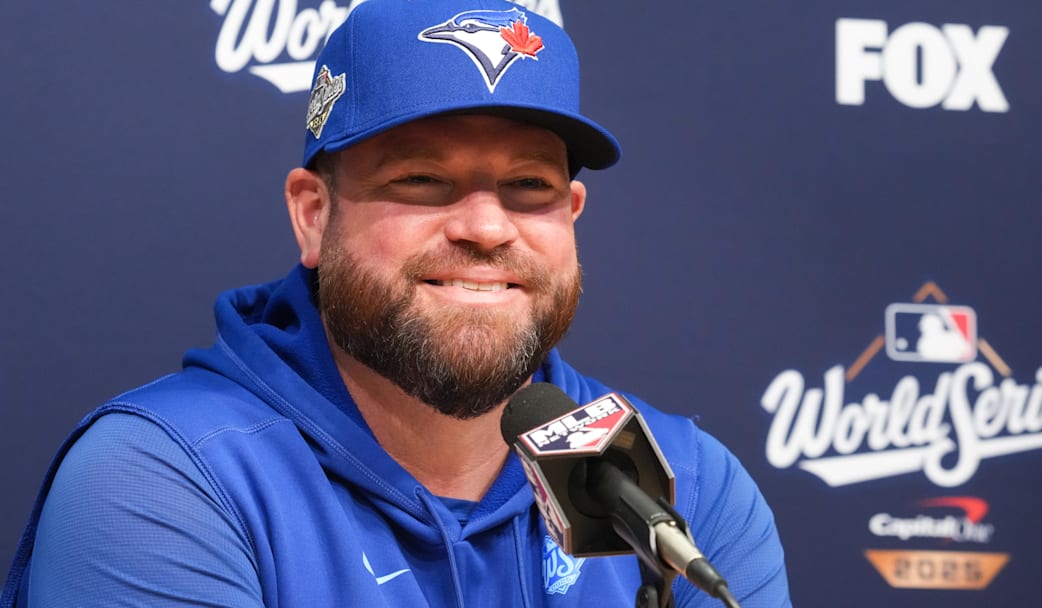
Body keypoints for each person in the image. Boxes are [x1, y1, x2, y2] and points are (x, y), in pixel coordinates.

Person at [2, 1, 790, 606]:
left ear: (572, 216)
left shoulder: (681, 485)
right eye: (421, 181)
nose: (486, 226)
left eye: (529, 188)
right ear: (314, 213)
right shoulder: (164, 480)